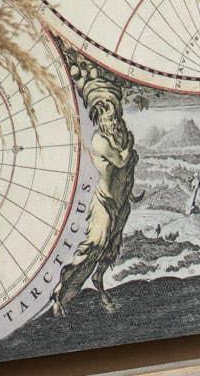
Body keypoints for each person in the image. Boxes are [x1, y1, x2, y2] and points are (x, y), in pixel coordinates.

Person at [52, 86, 139, 316]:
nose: (112, 123)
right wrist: (130, 142)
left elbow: (126, 173)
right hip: (104, 205)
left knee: (110, 251)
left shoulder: (119, 134)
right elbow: (121, 161)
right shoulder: (100, 141)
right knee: (94, 247)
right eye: (108, 118)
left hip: (121, 205)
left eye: (115, 117)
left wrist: (130, 195)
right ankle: (60, 292)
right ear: (99, 118)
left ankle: (99, 284)